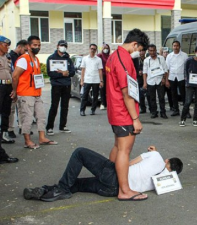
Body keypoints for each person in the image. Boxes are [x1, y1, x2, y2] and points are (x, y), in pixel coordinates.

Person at [23, 146, 183, 202]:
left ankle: (61, 188)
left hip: (114, 176)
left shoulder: (156, 156)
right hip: (111, 191)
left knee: (79, 153)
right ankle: (46, 191)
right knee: (77, 184)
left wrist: (154, 153)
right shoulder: (166, 182)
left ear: (167, 159)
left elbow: (127, 164)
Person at [105, 28, 149, 200]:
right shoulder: (123, 58)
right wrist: (136, 119)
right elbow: (127, 92)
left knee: (118, 147)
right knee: (124, 150)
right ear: (135, 44)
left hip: (116, 111)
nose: (139, 53)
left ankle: (111, 182)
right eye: (139, 50)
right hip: (123, 112)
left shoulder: (114, 55)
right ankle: (124, 190)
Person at [11, 35, 58, 149]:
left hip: (36, 93)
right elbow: (15, 76)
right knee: (27, 117)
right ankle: (28, 141)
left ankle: (42, 138)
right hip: (25, 93)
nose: (38, 47)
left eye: (39, 45)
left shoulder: (36, 59)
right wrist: (15, 91)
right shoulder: (24, 59)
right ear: (28, 46)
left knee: (41, 116)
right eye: (35, 45)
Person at [45, 40, 75, 136]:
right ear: (57, 46)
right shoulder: (51, 58)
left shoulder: (68, 59)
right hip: (56, 85)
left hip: (66, 85)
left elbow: (72, 72)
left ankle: (63, 126)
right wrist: (62, 73)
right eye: (62, 45)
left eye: (65, 46)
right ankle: (49, 127)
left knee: (65, 106)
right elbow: (50, 73)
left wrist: (67, 73)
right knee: (54, 106)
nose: (63, 47)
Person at [179, 45, 197, 127]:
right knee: (187, 102)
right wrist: (187, 82)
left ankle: (195, 120)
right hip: (190, 84)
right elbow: (185, 71)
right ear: (195, 52)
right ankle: (182, 119)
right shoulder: (189, 60)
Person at [0, 35, 18, 164]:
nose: (7, 48)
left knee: (6, 111)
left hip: (7, 85)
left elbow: (11, 73)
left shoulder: (7, 57)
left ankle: (4, 132)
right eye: (5, 45)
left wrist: (13, 88)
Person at [7, 39, 27, 139]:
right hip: (12, 86)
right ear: (19, 47)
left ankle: (22, 127)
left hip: (22, 87)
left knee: (22, 108)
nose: (25, 52)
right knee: (11, 109)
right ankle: (10, 129)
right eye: (24, 49)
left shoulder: (23, 57)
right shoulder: (9, 56)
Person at [143, 44, 169, 119]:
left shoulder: (161, 58)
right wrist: (145, 83)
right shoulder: (146, 60)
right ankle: (154, 112)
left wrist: (165, 79)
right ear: (148, 51)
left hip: (160, 81)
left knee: (161, 98)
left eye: (154, 50)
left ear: (156, 50)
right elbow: (145, 73)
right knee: (152, 98)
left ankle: (163, 112)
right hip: (150, 81)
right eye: (150, 51)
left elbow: (165, 70)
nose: (152, 52)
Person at [166, 41, 188, 117]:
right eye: (174, 46)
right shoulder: (169, 56)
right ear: (172, 47)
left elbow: (187, 68)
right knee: (173, 94)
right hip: (172, 77)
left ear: (179, 46)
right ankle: (176, 110)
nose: (176, 47)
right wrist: (166, 80)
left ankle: (186, 111)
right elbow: (167, 69)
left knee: (184, 94)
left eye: (177, 46)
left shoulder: (184, 55)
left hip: (181, 77)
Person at [80, 44, 103, 116]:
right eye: (91, 48)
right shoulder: (85, 58)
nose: (92, 50)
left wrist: (101, 81)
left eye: (94, 49)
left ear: (96, 50)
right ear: (89, 49)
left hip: (96, 80)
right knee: (85, 96)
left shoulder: (98, 59)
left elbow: (100, 70)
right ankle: (82, 110)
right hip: (87, 80)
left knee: (95, 96)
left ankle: (93, 110)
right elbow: (83, 70)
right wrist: (82, 80)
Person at [133, 48, 150, 114]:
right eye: (140, 51)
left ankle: (151, 108)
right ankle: (143, 108)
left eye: (143, 51)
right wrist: (138, 72)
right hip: (139, 79)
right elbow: (133, 68)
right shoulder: (136, 60)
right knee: (141, 95)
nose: (142, 52)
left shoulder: (147, 59)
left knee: (149, 95)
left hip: (147, 79)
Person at [97, 43, 110, 110]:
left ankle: (108, 103)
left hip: (109, 75)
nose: (106, 49)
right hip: (102, 74)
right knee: (102, 89)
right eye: (104, 48)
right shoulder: (100, 56)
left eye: (107, 48)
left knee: (108, 90)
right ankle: (102, 103)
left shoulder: (110, 56)